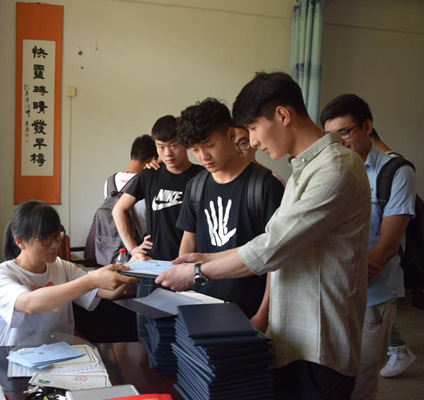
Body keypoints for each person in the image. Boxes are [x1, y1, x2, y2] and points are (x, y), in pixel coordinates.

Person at [156, 72, 371, 399]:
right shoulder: (304, 169)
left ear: (282, 115)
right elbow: (270, 239)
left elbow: (271, 249)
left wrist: (197, 272)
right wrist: (208, 256)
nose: (253, 142)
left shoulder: (335, 168)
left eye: (254, 128)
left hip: (320, 342)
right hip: (289, 336)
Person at [320, 94, 417, 399]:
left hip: (371, 296)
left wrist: (345, 276)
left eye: (345, 132)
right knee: (331, 379)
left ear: (366, 127)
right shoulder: (333, 170)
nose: (339, 142)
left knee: (360, 382)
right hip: (333, 292)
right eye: (331, 137)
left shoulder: (395, 173)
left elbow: (386, 246)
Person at [175, 98, 284, 332]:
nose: (203, 156)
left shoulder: (265, 186)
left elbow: (276, 259)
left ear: (231, 135)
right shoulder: (196, 186)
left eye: (209, 145)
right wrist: (182, 285)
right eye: (195, 150)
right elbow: (189, 239)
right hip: (200, 306)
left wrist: (263, 315)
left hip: (248, 309)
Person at [0, 200, 138, 347]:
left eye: (57, 235)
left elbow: (108, 292)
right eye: (45, 239)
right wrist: (91, 280)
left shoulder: (62, 267)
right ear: (20, 241)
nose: (55, 245)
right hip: (19, 356)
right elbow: (29, 303)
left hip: (63, 355)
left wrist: (134, 267)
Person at [112, 115, 203, 338]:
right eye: (161, 147)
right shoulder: (149, 174)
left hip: (189, 270)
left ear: (185, 144)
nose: (167, 153)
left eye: (174, 145)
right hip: (152, 270)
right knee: (147, 337)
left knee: (186, 339)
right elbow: (118, 210)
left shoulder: (202, 176)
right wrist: (133, 248)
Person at [369, 128, 417, 379]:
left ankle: (398, 349)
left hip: (383, 260)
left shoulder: (394, 168)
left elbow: (389, 241)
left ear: (366, 129)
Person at [103, 134, 158, 235]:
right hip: (139, 243)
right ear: (152, 160)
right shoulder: (148, 182)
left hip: (112, 242)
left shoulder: (109, 181)